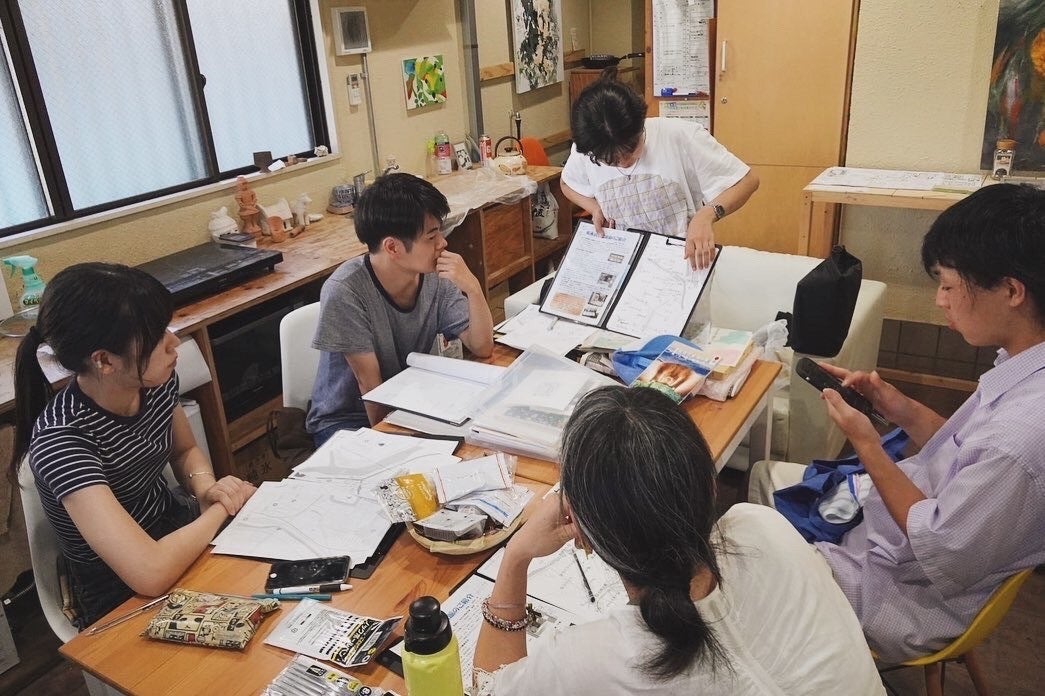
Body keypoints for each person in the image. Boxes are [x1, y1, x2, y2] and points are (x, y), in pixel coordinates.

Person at [749, 183, 1045, 663]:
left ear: (1012, 291)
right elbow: (963, 446)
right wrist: (897, 406)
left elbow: (940, 545)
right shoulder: (1024, 364)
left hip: (904, 593)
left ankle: (789, 657)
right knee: (765, 479)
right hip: (894, 533)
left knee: (742, 546)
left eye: (948, 286)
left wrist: (865, 442)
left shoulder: (1020, 439)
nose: (940, 301)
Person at [473, 386, 884, 694]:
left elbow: (487, 689)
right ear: (710, 485)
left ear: (581, 531)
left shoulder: (587, 661)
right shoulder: (762, 525)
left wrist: (516, 556)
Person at [8, 263, 256, 628]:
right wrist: (222, 509)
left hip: (175, 527)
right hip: (118, 588)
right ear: (104, 360)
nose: (174, 342)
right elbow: (148, 573)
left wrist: (206, 489)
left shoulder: (153, 383)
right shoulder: (63, 439)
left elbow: (184, 451)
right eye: (156, 337)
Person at [306, 173, 494, 445]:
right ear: (392, 247)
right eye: (431, 236)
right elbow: (370, 386)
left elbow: (482, 346)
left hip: (406, 401)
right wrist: (395, 446)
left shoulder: (434, 276)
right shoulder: (345, 291)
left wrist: (473, 288)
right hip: (347, 421)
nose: (442, 243)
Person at [561, 74, 759, 269]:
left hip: (681, 263)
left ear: (641, 126)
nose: (623, 162)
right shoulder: (590, 146)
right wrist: (595, 208)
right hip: (621, 262)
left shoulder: (680, 136)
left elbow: (747, 181)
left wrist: (706, 215)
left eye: (631, 150)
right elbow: (567, 184)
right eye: (610, 160)